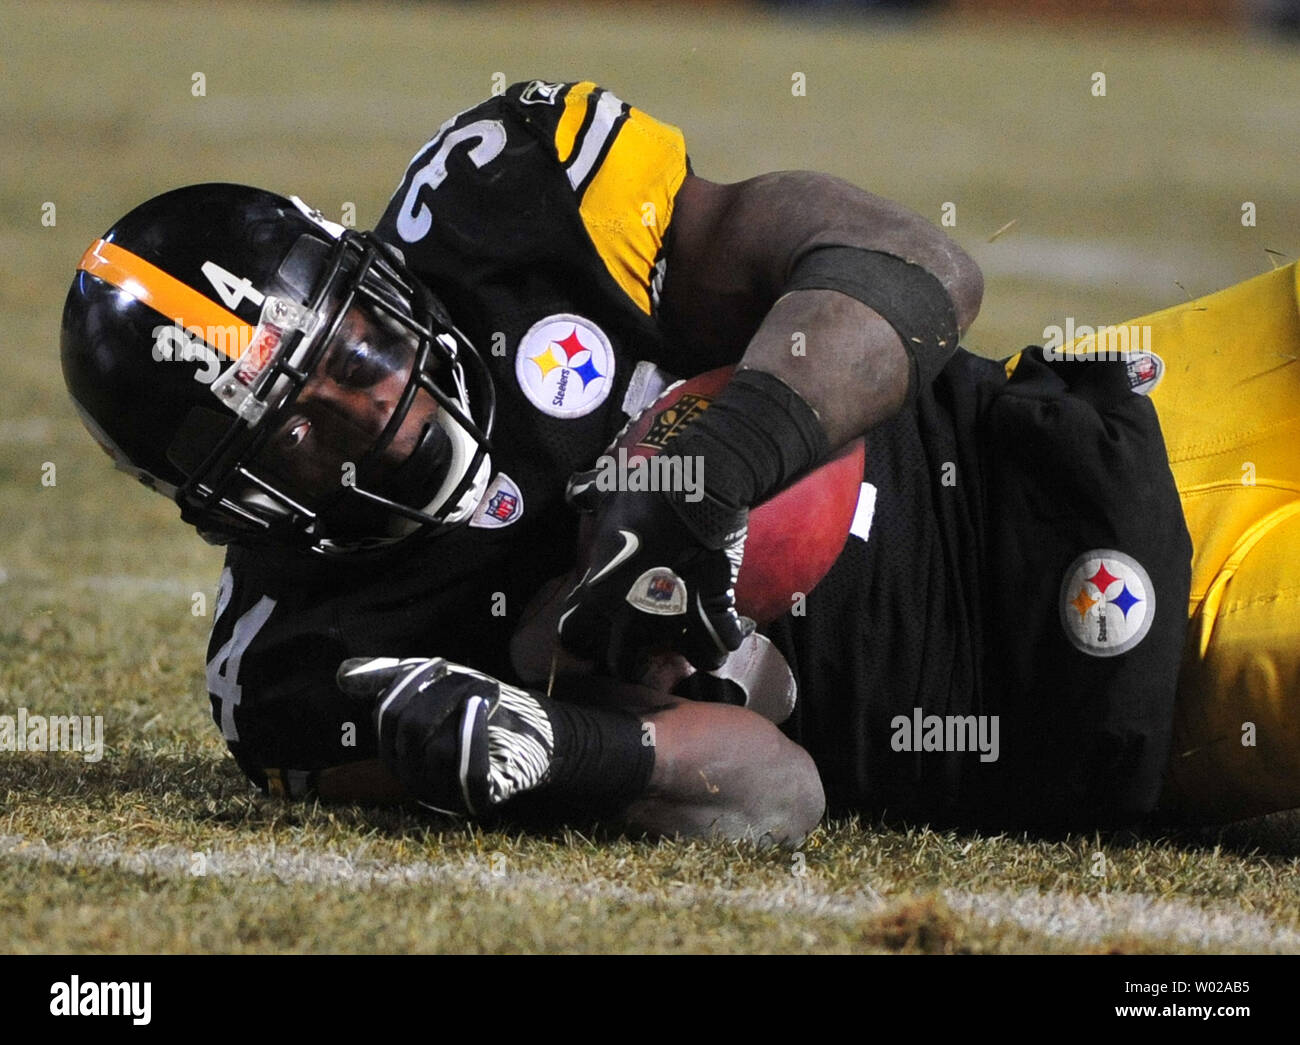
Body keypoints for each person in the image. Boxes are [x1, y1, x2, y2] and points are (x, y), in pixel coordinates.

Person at [58, 79, 1296, 843]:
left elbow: (906, 264)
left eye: (354, 347)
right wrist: (566, 754)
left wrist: (722, 459)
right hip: (1104, 667)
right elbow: (777, 794)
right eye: (293, 428)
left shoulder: (504, 207)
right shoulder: (300, 664)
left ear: (369, 266)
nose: (368, 406)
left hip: (1108, 419)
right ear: (224, 507)